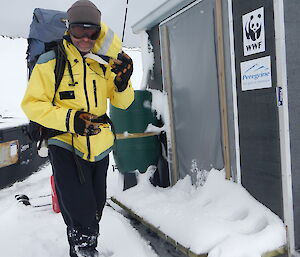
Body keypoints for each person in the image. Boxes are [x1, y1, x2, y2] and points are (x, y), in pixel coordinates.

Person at [21, 0, 134, 256]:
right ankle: (84, 248)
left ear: (98, 31)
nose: (85, 38)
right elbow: (32, 105)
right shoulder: (50, 63)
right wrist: (72, 120)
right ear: (68, 30)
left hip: (101, 147)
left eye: (91, 32)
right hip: (66, 146)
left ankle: (81, 246)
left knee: (95, 207)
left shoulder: (101, 64)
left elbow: (123, 104)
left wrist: (123, 82)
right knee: (79, 211)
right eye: (78, 31)